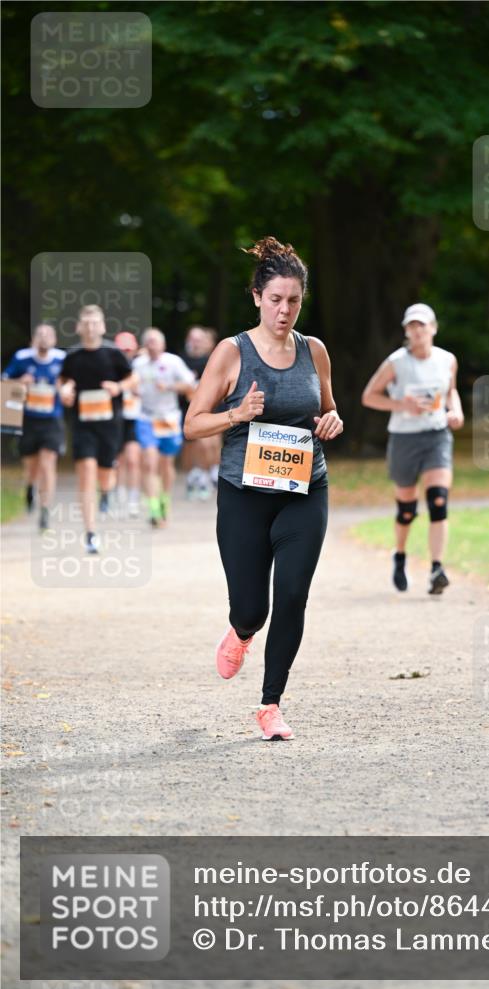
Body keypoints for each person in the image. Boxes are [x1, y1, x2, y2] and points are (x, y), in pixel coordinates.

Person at [185, 237, 343, 741]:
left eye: (294, 300)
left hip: (304, 489)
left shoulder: (313, 350)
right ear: (257, 296)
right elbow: (192, 425)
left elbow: (328, 406)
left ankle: (270, 704)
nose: (285, 310)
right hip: (244, 495)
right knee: (253, 607)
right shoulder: (232, 353)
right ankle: (241, 632)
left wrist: (332, 421)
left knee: (293, 595)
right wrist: (237, 413)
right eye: (275, 299)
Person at [361, 303, 464, 594]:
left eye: (422, 325)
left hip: (436, 435)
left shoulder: (447, 360)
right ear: (406, 331)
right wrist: (400, 405)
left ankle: (436, 569)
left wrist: (455, 411)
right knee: (407, 508)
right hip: (404, 438)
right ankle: (400, 555)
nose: (417, 331)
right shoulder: (397, 362)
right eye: (411, 326)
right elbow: (369, 396)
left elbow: (451, 391)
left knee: (438, 500)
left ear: (433, 328)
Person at [58, 305, 136, 553]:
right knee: (86, 473)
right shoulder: (72, 355)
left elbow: (132, 378)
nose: (91, 327)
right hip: (82, 424)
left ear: (102, 326)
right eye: (86, 323)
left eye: (95, 323)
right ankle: (90, 533)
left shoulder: (113, 353)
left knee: (105, 475)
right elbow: (64, 379)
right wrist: (66, 390)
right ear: (79, 327)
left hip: (110, 424)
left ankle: (107, 492)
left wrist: (117, 387)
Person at [2, 323, 66, 531]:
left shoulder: (62, 360)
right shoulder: (22, 358)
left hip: (52, 420)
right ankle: (30, 487)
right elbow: (4, 382)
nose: (44, 338)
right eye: (40, 335)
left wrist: (63, 388)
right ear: (34, 340)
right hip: (28, 420)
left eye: (49, 335)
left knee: (48, 464)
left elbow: (71, 384)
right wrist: (20, 382)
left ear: (55, 340)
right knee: (32, 467)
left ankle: (45, 510)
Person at [133, 327, 196, 526]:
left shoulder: (173, 362)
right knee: (149, 462)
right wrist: (132, 390)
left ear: (162, 344)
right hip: (146, 417)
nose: (152, 345)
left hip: (168, 418)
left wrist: (169, 387)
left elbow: (190, 384)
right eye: (148, 341)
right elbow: (129, 383)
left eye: (155, 341)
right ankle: (153, 508)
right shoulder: (138, 364)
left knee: (166, 464)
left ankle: (164, 499)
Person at [180, 326, 218, 500]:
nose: (196, 343)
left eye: (199, 339)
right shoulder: (180, 360)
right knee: (190, 445)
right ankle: (192, 475)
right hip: (185, 408)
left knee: (208, 443)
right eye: (193, 339)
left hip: (210, 407)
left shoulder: (212, 360)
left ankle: (206, 475)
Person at [114, 331, 142, 517]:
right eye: (122, 350)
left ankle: (133, 499)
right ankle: (117, 496)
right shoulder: (110, 366)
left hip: (134, 416)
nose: (126, 353)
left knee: (132, 460)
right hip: (115, 418)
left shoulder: (140, 366)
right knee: (117, 461)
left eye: (128, 350)